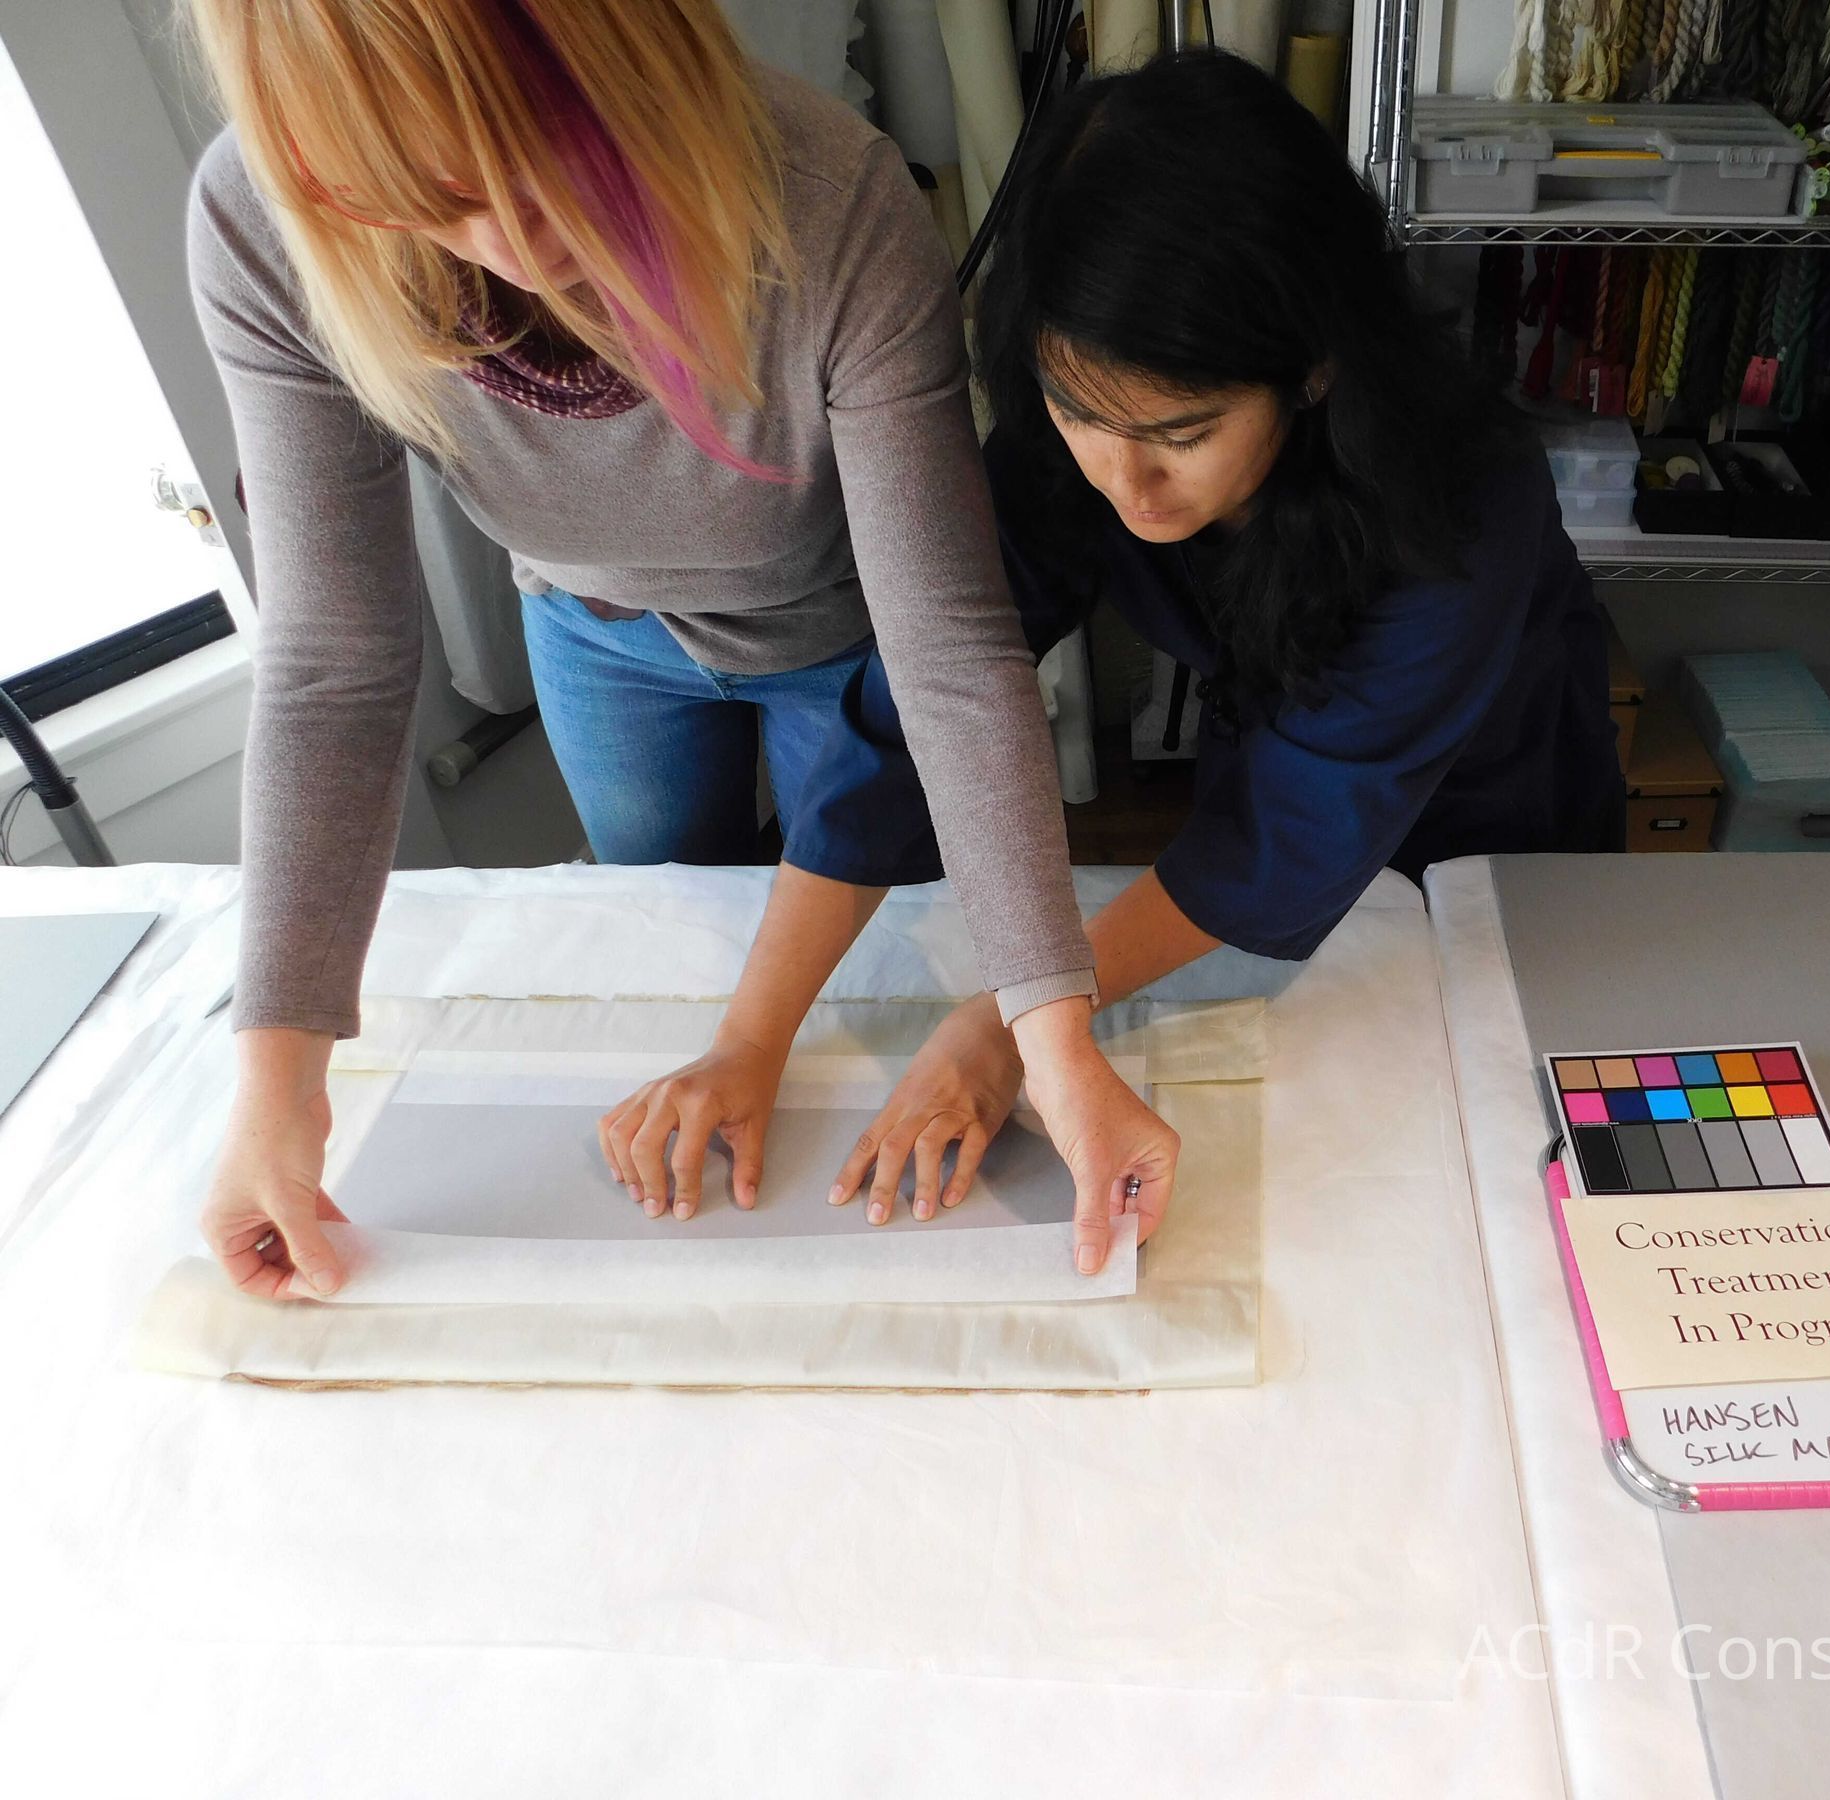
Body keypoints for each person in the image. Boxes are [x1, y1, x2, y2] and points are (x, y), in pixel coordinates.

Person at [183, 0, 1174, 1301]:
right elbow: (334, 664)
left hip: (840, 634)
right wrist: (278, 1083)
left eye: (558, 157)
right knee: (663, 941)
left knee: (883, 947)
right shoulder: (265, 218)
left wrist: (1050, 1040)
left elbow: (947, 644)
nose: (514, 241)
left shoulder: (831, 200)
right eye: (436, 200)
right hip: (594, 631)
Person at [816, 50, 1625, 1216]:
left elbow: (1288, 832)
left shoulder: (1463, 501)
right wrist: (752, 1033)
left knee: (1463, 1147)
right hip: (1279, 770)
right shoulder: (1080, 430)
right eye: (1080, 413)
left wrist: (1011, 1023)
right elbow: (930, 688)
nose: (1124, 482)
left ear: (1313, 370)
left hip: (1486, 809)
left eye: (1182, 436)